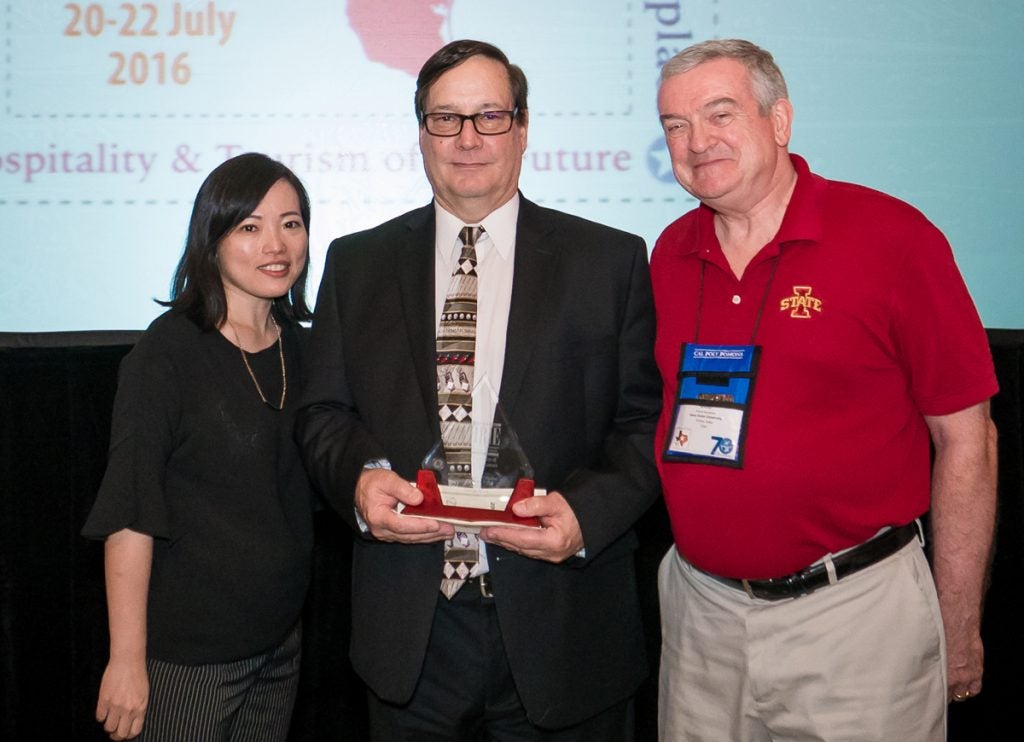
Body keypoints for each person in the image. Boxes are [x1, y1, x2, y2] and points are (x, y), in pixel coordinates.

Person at [296, 39, 662, 741]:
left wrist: (586, 515)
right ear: (422, 132)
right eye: (446, 119)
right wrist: (361, 482)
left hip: (564, 627)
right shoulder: (357, 262)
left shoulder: (608, 261)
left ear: (522, 129)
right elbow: (323, 414)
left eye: (490, 116)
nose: (468, 139)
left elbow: (644, 422)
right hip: (413, 636)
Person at [650, 38, 999, 741]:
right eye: (676, 126)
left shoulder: (892, 239)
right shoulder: (670, 252)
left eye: (720, 114)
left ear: (780, 120)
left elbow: (968, 441)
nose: (697, 142)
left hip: (854, 621)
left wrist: (957, 623)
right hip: (701, 620)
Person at [82, 152, 315, 741]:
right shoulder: (167, 356)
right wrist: (127, 661)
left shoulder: (305, 350)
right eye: (250, 227)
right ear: (211, 240)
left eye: (291, 223)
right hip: (186, 661)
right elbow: (131, 512)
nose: (276, 245)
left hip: (279, 648)